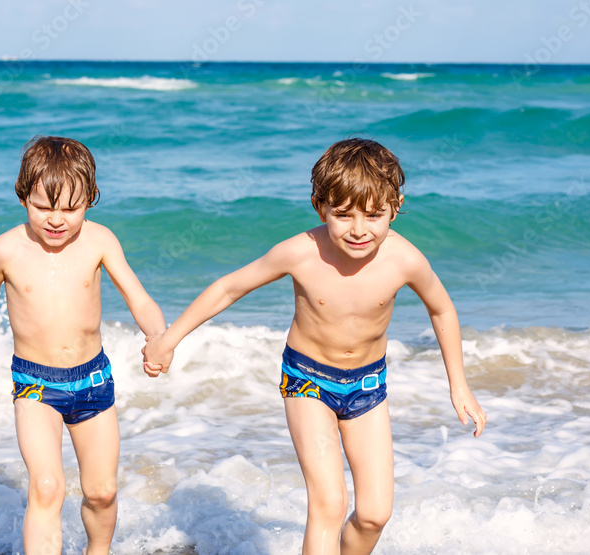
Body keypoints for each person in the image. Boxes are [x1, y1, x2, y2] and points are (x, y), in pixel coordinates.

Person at [142, 137, 486, 555]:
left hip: (367, 387)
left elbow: (443, 310)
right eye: (343, 215)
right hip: (307, 381)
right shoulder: (300, 253)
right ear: (319, 206)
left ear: (395, 206)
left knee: (375, 513)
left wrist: (459, 385)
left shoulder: (404, 259)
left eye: (375, 215)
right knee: (329, 502)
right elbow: (228, 288)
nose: (359, 229)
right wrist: (168, 339)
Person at [0, 136, 165, 555]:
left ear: (90, 201)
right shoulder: (4, 250)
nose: (56, 220)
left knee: (102, 492)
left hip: (93, 382)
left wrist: (157, 337)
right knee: (46, 487)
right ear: (24, 197)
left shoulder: (99, 240)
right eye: (44, 207)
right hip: (34, 385)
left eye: (70, 209)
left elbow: (138, 296)